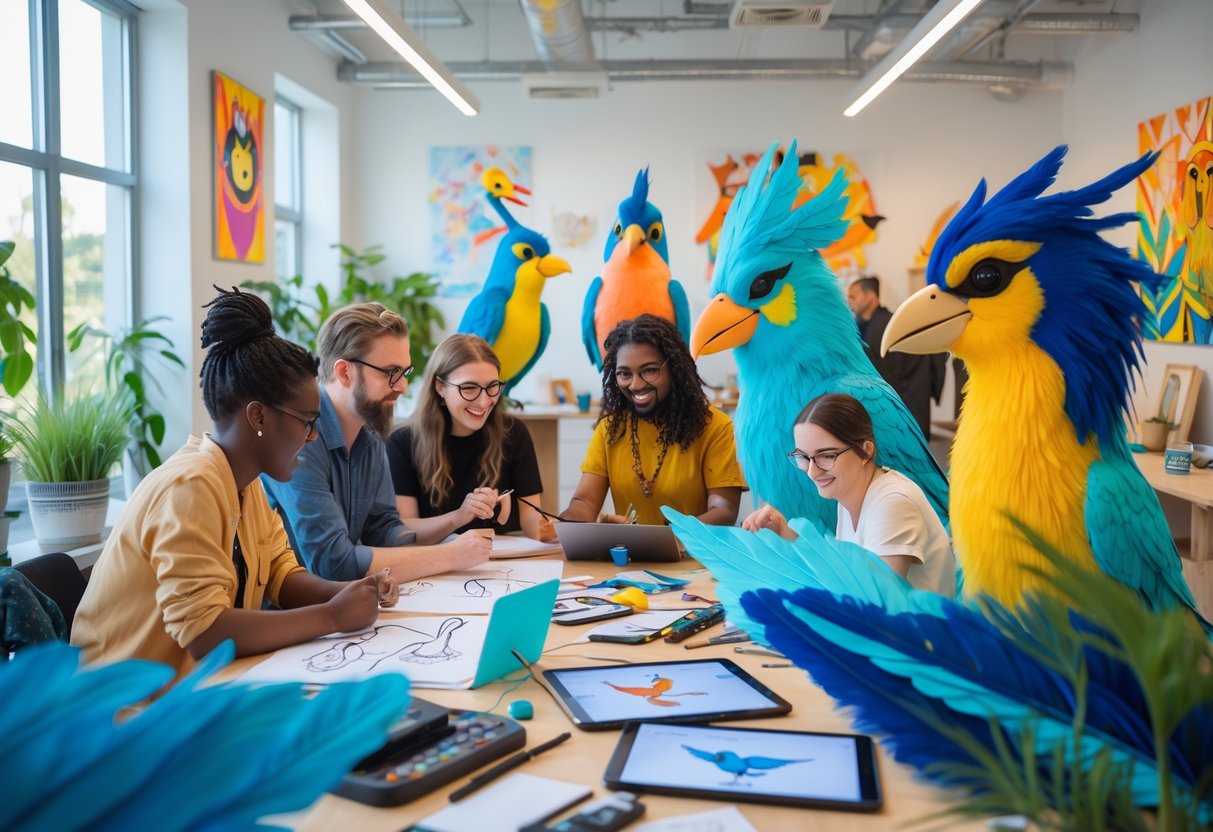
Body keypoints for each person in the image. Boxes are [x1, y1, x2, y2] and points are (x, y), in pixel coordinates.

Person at [71, 287, 398, 676]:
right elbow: (205, 633)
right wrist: (330, 617)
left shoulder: (247, 485)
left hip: (191, 693)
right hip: (124, 709)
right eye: (307, 422)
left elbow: (282, 577)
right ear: (258, 417)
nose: (313, 436)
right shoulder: (190, 487)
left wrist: (348, 592)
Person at [263, 302, 491, 582]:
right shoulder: (298, 439)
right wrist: (451, 555)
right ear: (345, 372)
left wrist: (452, 541)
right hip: (295, 614)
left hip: (344, 607)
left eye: (405, 372)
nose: (403, 386)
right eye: (390, 372)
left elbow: (383, 531)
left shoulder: (369, 436)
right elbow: (333, 563)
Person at [742, 393, 956, 595]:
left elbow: (875, 603)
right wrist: (783, 531)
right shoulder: (852, 491)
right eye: (803, 457)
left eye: (826, 456)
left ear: (866, 451)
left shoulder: (893, 502)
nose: (812, 471)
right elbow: (846, 574)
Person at [551, 314, 746, 529]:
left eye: (650, 371)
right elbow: (585, 502)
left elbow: (723, 510)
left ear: (673, 368)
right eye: (625, 374)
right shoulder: (611, 429)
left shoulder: (715, 427)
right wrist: (563, 523)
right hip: (629, 558)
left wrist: (664, 537)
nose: (635, 385)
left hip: (694, 558)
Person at [387, 334, 546, 543]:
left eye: (492, 386)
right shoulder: (402, 443)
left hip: (504, 564)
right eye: (469, 388)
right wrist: (459, 517)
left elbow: (532, 518)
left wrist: (553, 531)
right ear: (440, 387)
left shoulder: (514, 432)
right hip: (438, 566)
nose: (484, 402)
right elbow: (404, 529)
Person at [847, 276, 947, 440]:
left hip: (905, 401)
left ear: (870, 297)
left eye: (853, 296)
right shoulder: (876, 323)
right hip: (905, 400)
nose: (849, 301)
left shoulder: (884, 325)